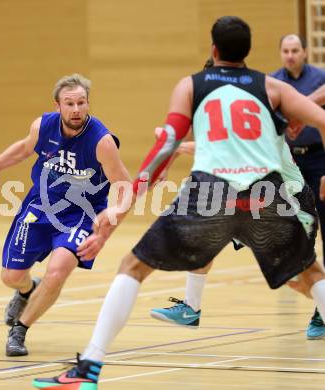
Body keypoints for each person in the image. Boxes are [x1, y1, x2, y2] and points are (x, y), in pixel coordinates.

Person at [32, 16, 325, 389]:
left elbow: (165, 146)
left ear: (213, 50)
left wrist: (122, 206)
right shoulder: (271, 87)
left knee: (132, 267)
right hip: (264, 192)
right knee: (312, 274)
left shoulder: (192, 86)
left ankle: (89, 367)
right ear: (248, 52)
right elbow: (321, 118)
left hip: (211, 192)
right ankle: (186, 309)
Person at [0, 73, 131, 356]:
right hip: (39, 206)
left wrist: (115, 209)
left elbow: (125, 184)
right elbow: (21, 150)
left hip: (79, 214)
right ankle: (27, 290)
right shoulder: (43, 126)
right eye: (70, 104)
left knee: (57, 271)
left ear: (88, 104)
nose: (76, 109)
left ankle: (20, 329)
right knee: (11, 276)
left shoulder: (101, 141)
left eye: (81, 103)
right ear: (58, 106)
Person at [270, 34, 325, 339]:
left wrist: (299, 110)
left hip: (319, 161)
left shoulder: (319, 78)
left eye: (295, 50)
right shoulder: (272, 83)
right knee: (298, 236)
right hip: (289, 165)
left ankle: (320, 311)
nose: (290, 55)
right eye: (285, 50)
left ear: (305, 52)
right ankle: (318, 301)